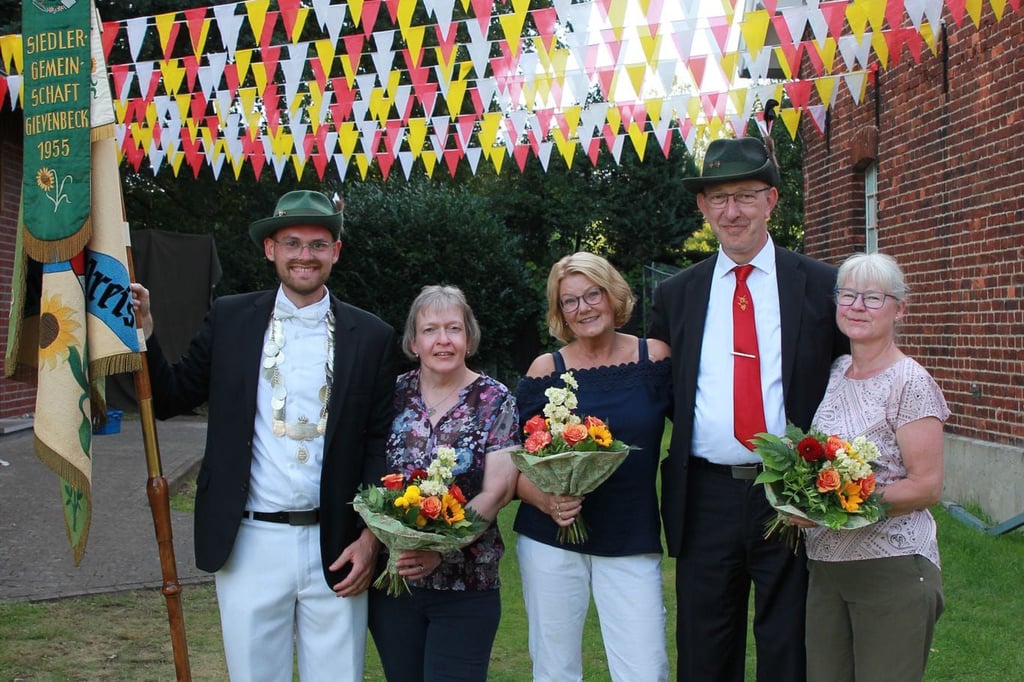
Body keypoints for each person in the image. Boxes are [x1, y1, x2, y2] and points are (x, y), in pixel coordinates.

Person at [130, 189, 398, 681]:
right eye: (291, 243)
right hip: (249, 541)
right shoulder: (232, 318)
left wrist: (370, 538)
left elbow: (380, 442)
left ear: (335, 252)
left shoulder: (374, 335)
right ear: (270, 249)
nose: (304, 256)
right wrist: (145, 333)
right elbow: (170, 398)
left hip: (337, 545)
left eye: (318, 245)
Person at [648, 137, 849, 682]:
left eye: (745, 196)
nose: (731, 211)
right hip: (705, 494)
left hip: (791, 493)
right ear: (702, 207)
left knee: (790, 646)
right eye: (718, 198)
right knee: (704, 647)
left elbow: (852, 382)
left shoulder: (821, 286)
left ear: (772, 201)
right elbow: (657, 391)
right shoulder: (677, 295)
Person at [514, 252, 673, 681]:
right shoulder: (547, 370)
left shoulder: (653, 358)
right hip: (552, 536)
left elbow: (696, 429)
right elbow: (512, 461)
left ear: (612, 295)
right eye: (570, 301)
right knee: (555, 668)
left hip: (630, 534)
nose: (583, 308)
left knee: (644, 668)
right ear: (560, 311)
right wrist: (547, 501)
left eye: (592, 294)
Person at [793, 252, 948, 681]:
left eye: (874, 297)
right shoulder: (837, 371)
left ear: (900, 308)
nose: (857, 306)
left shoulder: (910, 382)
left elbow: (926, 487)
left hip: (891, 566)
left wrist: (834, 506)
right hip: (826, 567)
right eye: (848, 294)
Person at [367, 285, 520, 681]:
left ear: (468, 338)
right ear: (413, 341)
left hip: (467, 585)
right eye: (431, 330)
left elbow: (498, 489)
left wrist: (441, 550)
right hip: (395, 582)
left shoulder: (494, 399)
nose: (443, 340)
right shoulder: (391, 394)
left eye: (453, 328)